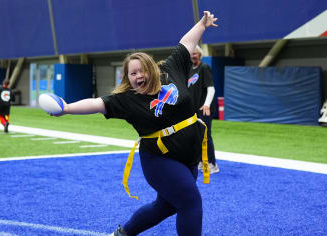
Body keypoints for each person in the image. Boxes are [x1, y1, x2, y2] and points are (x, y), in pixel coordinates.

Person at [52, 11, 218, 236]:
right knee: (190, 202)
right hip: (159, 160)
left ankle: (123, 233)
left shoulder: (171, 69)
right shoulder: (127, 99)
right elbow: (96, 103)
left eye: (141, 70)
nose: (138, 76)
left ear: (152, 69)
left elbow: (186, 43)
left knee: (166, 206)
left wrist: (202, 24)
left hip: (189, 156)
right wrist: (67, 108)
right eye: (132, 73)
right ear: (127, 77)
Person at [188, 45, 219, 174]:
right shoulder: (189, 70)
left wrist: (206, 104)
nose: (193, 56)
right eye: (191, 54)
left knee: (205, 136)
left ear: (199, 55)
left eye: (195, 53)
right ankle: (201, 160)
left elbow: (211, 88)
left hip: (204, 109)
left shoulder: (204, 68)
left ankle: (212, 163)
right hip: (193, 110)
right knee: (196, 137)